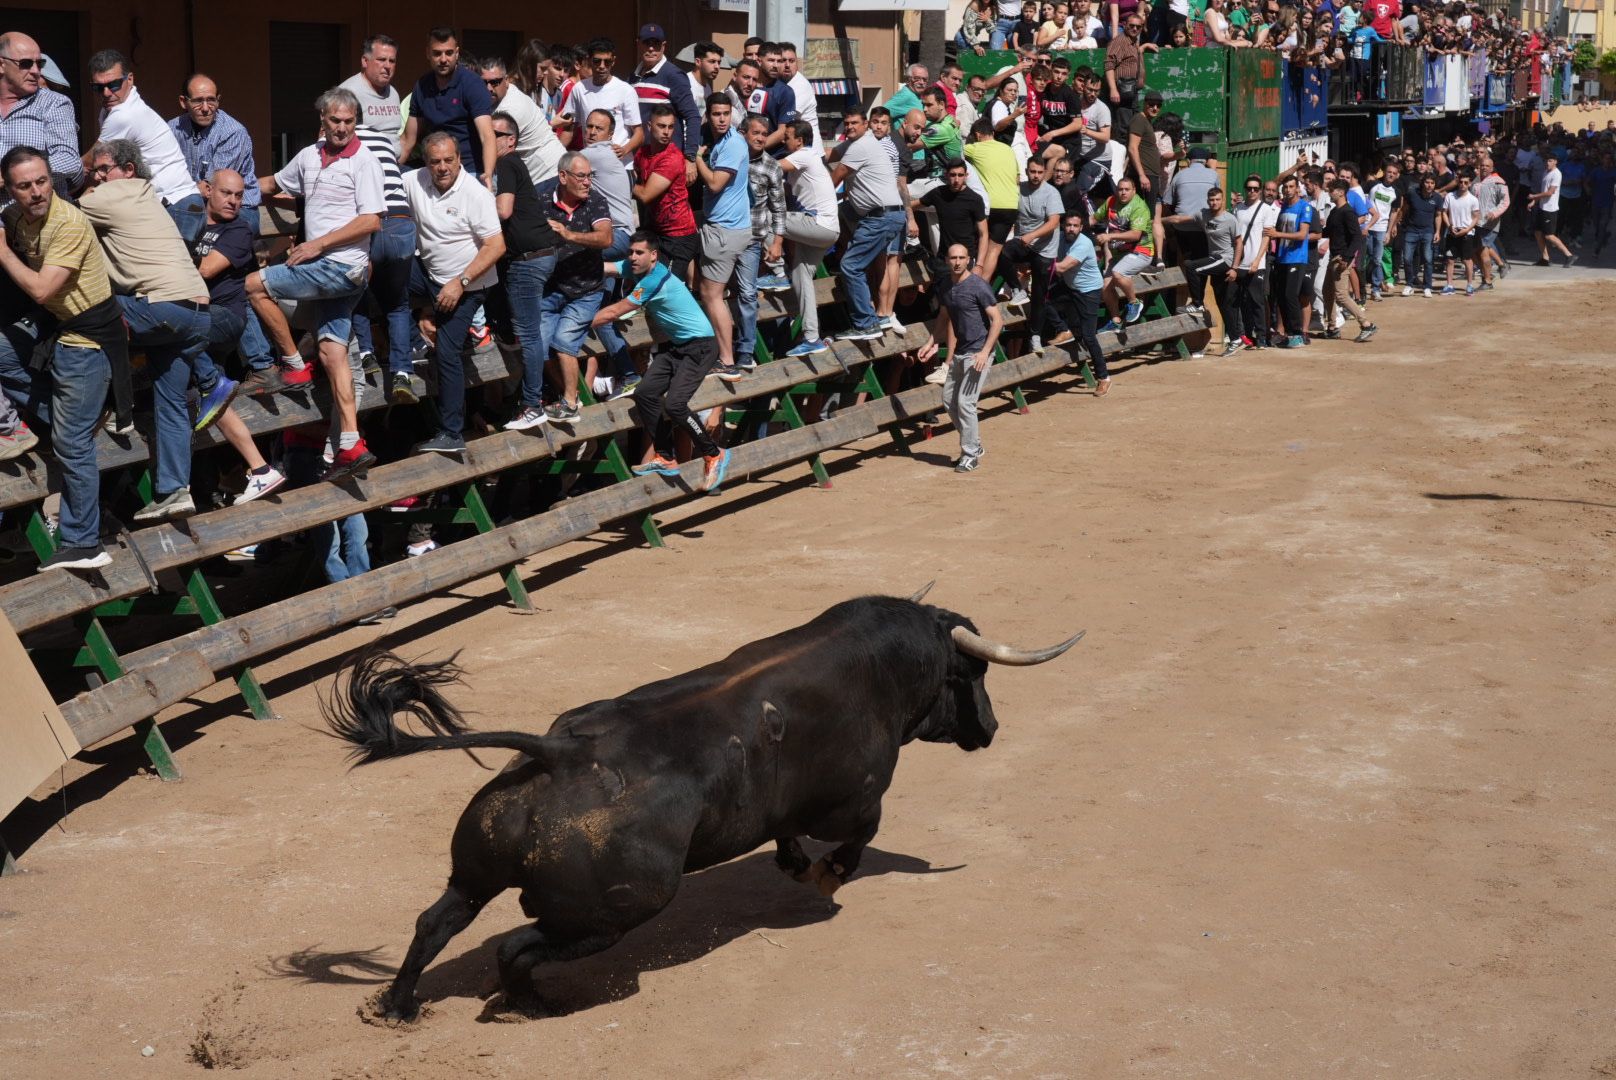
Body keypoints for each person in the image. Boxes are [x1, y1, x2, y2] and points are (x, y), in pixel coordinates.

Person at [245, 87, 384, 480]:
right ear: (322, 121)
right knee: (331, 352)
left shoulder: (364, 162)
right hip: (331, 275)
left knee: (255, 284)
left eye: (349, 121)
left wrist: (316, 244)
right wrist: (233, 191)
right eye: (335, 121)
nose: (342, 128)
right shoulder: (308, 156)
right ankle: (351, 444)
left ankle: (291, 365)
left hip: (340, 268)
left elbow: (372, 220)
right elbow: (273, 184)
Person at [79, 139, 215, 522]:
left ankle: (101, 411)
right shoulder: (148, 198)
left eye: (105, 168)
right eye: (97, 170)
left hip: (162, 309)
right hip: (197, 315)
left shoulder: (116, 194)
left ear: (128, 170)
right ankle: (175, 490)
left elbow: (56, 210)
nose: (98, 175)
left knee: (81, 314)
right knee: (170, 401)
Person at [0, 147, 120, 569]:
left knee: (71, 442)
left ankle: (85, 542)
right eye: (24, 185)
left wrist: (2, 251)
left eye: (42, 181)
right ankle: (81, 415)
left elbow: (40, 290)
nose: (36, 192)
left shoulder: (68, 222)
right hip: (57, 327)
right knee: (2, 354)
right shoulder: (13, 217)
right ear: (9, 189)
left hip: (88, 337)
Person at [590, 232, 731, 493]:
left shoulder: (653, 280)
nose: (632, 257)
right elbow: (607, 268)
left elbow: (613, 312)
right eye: (630, 252)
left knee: (676, 405)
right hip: (680, 348)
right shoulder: (635, 267)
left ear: (653, 256)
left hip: (700, 348)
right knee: (644, 393)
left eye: (639, 253)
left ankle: (713, 454)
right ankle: (665, 456)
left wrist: (578, 325)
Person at [184, 168, 288, 504]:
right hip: (196, 320)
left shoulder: (239, 229)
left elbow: (203, 271)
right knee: (200, 392)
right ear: (207, 190)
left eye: (239, 195)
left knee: (170, 337)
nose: (233, 201)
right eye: (227, 193)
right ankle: (256, 470)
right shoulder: (193, 222)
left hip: (222, 318)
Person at [403, 131, 505, 455]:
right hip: (429, 276)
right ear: (426, 162)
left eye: (449, 160)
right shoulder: (414, 181)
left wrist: (459, 283)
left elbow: (497, 245)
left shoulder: (475, 194)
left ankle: (452, 432)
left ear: (459, 159)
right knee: (381, 273)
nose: (443, 167)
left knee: (446, 351)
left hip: (469, 284)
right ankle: (400, 345)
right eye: (435, 161)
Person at [340, 37, 415, 398]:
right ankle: (402, 373)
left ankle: (367, 353)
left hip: (374, 219)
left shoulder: (353, 148)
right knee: (398, 304)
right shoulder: (350, 93)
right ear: (365, 61)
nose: (387, 66)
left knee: (354, 291)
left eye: (392, 60)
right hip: (402, 223)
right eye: (381, 60)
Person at [487, 110, 555, 432]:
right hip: (537, 255)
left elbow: (503, 210)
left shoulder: (507, 163)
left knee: (528, 334)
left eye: (496, 134)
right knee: (528, 332)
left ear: (511, 140)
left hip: (528, 260)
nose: (489, 139)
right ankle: (534, 397)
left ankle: (532, 404)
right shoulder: (508, 165)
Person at [537, 151, 613, 422]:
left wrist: (569, 235)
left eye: (589, 176)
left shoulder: (595, 201)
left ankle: (569, 401)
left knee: (564, 341)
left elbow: (605, 238)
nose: (587, 182)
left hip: (586, 291)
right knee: (540, 346)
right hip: (550, 289)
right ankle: (568, 397)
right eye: (581, 176)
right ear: (563, 176)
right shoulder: (542, 200)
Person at [916, 243, 1003, 474]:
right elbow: (944, 317)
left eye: (961, 258)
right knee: (949, 402)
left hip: (978, 352)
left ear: (969, 260)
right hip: (960, 352)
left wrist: (985, 352)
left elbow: (997, 320)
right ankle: (974, 443)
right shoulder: (946, 286)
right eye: (953, 257)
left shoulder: (978, 286)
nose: (957, 262)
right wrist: (931, 342)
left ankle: (970, 454)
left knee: (965, 403)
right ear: (947, 260)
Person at [828, 106, 906, 341]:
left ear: (866, 124)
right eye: (847, 123)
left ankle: (866, 323)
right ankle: (879, 316)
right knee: (844, 211)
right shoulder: (859, 142)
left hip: (881, 217)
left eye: (855, 123)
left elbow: (837, 174)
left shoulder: (861, 146)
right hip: (882, 215)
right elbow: (829, 155)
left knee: (851, 266)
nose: (850, 126)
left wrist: (816, 201)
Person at [87, 50, 195, 205]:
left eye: (114, 84)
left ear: (130, 79)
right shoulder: (113, 109)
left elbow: (90, 163)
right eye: (98, 87)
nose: (106, 93)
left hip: (175, 202)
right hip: (173, 201)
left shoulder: (124, 114)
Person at [693, 96, 750, 374]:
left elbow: (715, 184)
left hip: (725, 230)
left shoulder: (733, 144)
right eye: (716, 114)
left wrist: (698, 159)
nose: (722, 119)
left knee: (713, 295)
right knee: (711, 292)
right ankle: (725, 353)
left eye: (726, 113)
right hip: (728, 228)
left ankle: (727, 360)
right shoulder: (724, 141)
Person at [401, 28, 496, 182]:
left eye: (449, 53)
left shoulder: (472, 84)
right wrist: (389, 172)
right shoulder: (422, 86)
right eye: (437, 53)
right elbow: (407, 140)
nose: (443, 59)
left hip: (470, 171)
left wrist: (488, 175)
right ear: (427, 54)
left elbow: (487, 136)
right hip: (436, 171)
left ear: (457, 53)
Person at [776, 120, 837, 357]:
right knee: (801, 276)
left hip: (818, 225)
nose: (784, 140)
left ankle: (776, 273)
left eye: (787, 136)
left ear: (799, 141)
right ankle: (812, 338)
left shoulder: (804, 154)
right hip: (827, 231)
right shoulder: (809, 158)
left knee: (768, 217)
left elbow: (771, 168)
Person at [0, 32, 83, 194]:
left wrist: (10, 175)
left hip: (37, 215)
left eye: (39, 64)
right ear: (1, 65)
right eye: (26, 63)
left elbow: (69, 160)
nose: (35, 71)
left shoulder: (54, 103)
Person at [733, 115, 784, 371]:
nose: (761, 138)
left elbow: (779, 209)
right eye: (756, 133)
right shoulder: (731, 157)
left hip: (752, 239)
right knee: (713, 293)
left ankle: (745, 350)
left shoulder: (771, 166)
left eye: (765, 133)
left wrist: (777, 244)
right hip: (725, 235)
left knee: (748, 294)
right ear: (743, 133)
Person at [168, 74, 260, 212]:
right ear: (183, 102)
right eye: (198, 101)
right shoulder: (173, 128)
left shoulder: (232, 132)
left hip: (236, 208)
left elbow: (211, 187)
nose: (205, 108)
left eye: (211, 100)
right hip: (192, 202)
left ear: (218, 100)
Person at [999, 155, 1063, 349]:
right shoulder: (1020, 189)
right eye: (1032, 171)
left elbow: (1053, 222)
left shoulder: (1051, 193)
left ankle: (1035, 336)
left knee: (1039, 295)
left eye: (1039, 172)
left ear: (1045, 172)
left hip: (1045, 248)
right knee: (1000, 254)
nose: (1036, 176)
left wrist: (1032, 235)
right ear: (1026, 172)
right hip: (1023, 242)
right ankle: (1017, 289)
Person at [632, 103, 699, 283]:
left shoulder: (672, 158)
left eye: (670, 127)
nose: (666, 132)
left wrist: (624, 181)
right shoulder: (643, 153)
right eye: (661, 126)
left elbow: (645, 194)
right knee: (649, 282)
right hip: (656, 232)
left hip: (679, 236)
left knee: (666, 288)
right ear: (649, 126)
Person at [1046, 210, 1111, 395]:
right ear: (1063, 226)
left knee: (1088, 336)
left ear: (1081, 228)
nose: (1071, 229)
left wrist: (1036, 264)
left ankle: (1104, 377)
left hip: (1089, 292)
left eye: (1075, 226)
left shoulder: (1083, 244)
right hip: (1071, 287)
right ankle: (1063, 329)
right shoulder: (1059, 237)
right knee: (1041, 299)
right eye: (1068, 225)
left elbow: (1062, 267)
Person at [478, 55, 565, 185]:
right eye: (484, 82)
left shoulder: (510, 109)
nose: (489, 88)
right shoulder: (505, 94)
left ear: (506, 80)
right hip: (541, 171)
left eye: (495, 82)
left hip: (548, 172)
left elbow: (496, 151)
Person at [628, 23, 700, 177]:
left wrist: (690, 157)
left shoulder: (673, 75)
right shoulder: (633, 77)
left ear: (664, 46)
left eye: (656, 44)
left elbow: (693, 116)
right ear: (638, 44)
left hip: (666, 163)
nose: (651, 48)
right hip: (640, 160)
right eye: (647, 43)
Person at [561, 38, 642, 159]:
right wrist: (555, 155)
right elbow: (568, 130)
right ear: (589, 60)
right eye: (597, 61)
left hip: (620, 166)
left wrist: (624, 150)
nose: (602, 66)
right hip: (590, 164)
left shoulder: (626, 90)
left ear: (613, 61)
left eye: (607, 62)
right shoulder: (579, 89)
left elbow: (639, 133)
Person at [963, 119, 1020, 285]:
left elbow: (955, 152)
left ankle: (968, 284)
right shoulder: (1008, 150)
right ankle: (982, 287)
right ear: (993, 134)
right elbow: (1017, 177)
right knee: (994, 250)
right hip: (1011, 205)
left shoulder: (975, 148)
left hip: (990, 205)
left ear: (978, 135)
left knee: (978, 242)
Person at [1320, 179, 1378, 340]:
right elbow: (1327, 232)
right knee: (1328, 292)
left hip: (1341, 259)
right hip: (1334, 258)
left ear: (1340, 192)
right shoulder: (1335, 212)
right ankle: (1332, 327)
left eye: (1331, 190)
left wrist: (1347, 257)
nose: (1329, 193)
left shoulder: (1348, 212)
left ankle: (1366, 324)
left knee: (1341, 295)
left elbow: (1357, 237)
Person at [1096, 174, 1155, 331]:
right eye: (1120, 189)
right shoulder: (1111, 201)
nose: (1123, 192)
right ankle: (1116, 321)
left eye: (1127, 189)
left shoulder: (1139, 207)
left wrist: (1110, 236)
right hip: (1118, 253)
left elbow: (1135, 235)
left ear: (1134, 190)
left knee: (1118, 273)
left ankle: (1134, 303)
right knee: (1105, 288)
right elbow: (1093, 218)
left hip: (1141, 251)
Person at [916, 159, 989, 280]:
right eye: (953, 175)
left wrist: (980, 265)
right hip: (943, 259)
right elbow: (913, 205)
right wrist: (911, 219)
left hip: (965, 259)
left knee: (963, 297)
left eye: (960, 175)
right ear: (946, 175)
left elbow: (983, 234)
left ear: (966, 176)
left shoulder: (974, 199)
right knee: (943, 296)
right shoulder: (938, 193)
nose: (956, 180)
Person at [1265, 174, 1315, 348]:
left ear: (1298, 189)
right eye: (1285, 187)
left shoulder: (1305, 207)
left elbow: (1302, 234)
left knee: (1290, 295)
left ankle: (1297, 333)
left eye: (1291, 187)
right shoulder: (1283, 207)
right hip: (1282, 258)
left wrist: (1278, 234)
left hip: (1297, 258)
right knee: (1281, 296)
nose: (1287, 190)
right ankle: (1288, 332)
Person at [1398, 171, 1442, 297]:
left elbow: (1438, 216)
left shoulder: (1437, 198)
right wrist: (1400, 218)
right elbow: (1404, 206)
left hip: (1428, 231)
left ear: (1434, 185)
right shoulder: (1412, 193)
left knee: (1428, 259)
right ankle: (1409, 284)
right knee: (1406, 258)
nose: (1429, 185)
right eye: (1427, 182)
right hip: (1411, 230)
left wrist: (1438, 231)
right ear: (1423, 183)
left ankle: (1427, 286)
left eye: (1432, 183)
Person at [1528, 152, 1574, 267]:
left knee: (1549, 235)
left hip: (1550, 209)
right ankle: (1545, 258)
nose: (1547, 163)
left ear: (1555, 161)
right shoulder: (1545, 172)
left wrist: (1534, 196)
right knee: (1538, 232)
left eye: (1550, 161)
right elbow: (1543, 189)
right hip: (1542, 207)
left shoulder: (1557, 174)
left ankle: (1569, 255)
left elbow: (1550, 192)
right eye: (1546, 161)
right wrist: (1535, 201)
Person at [1105, 14, 1146, 142]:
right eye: (1131, 26)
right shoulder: (1120, 41)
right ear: (1125, 26)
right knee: (1123, 131)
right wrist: (1113, 89)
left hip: (1131, 93)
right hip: (1122, 93)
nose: (1135, 29)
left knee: (1131, 130)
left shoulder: (1134, 43)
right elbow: (1109, 65)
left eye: (1138, 27)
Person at [1439, 173, 1480, 296]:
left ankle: (1469, 285)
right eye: (1461, 182)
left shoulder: (1473, 199)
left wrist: (1467, 230)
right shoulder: (1450, 196)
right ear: (1458, 182)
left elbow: (1476, 217)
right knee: (1450, 259)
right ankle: (1449, 285)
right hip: (1452, 232)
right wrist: (1449, 226)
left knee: (1467, 260)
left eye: (1466, 182)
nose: (1463, 185)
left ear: (1470, 183)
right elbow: (1444, 212)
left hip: (1467, 233)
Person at [1365, 160, 1399, 300]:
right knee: (1367, 258)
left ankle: (1375, 288)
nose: (1391, 175)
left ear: (1397, 175)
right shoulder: (1373, 185)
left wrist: (1389, 231)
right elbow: (1362, 198)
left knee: (1377, 259)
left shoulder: (1396, 192)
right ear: (1384, 172)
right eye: (1389, 172)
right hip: (1367, 226)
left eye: (1394, 173)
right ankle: (1370, 285)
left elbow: (1394, 213)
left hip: (1381, 228)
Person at [779, 43, 819, 150]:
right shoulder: (780, 84)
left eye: (791, 61)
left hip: (809, 151)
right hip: (794, 148)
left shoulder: (800, 85)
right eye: (783, 61)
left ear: (797, 63)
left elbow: (787, 120)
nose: (787, 65)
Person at [687, 42, 724, 118]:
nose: (717, 66)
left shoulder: (707, 88)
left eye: (719, 62)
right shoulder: (686, 83)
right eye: (712, 61)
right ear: (698, 62)